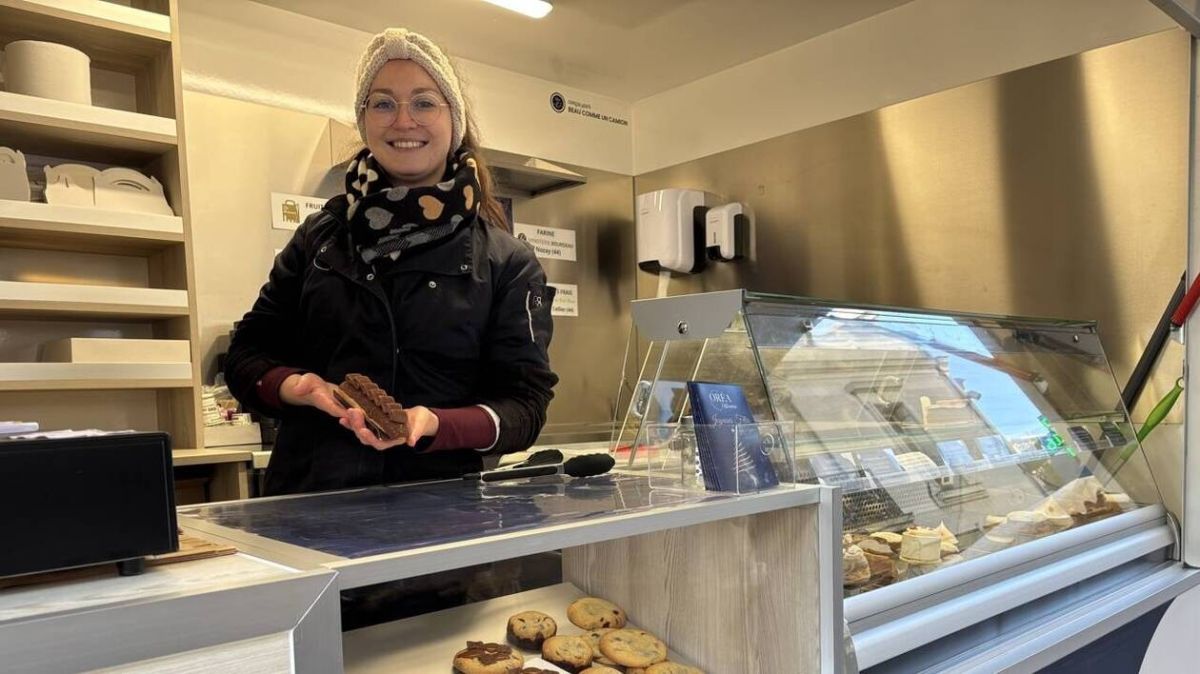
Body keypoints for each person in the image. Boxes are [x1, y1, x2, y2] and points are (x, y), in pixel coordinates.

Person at [225, 28, 558, 496]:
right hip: (309, 506)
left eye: (423, 103)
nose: (403, 121)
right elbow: (245, 353)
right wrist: (294, 386)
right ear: (363, 120)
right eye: (382, 104)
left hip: (439, 518)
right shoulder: (319, 239)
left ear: (453, 120)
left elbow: (525, 407)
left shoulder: (506, 261)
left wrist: (436, 424)